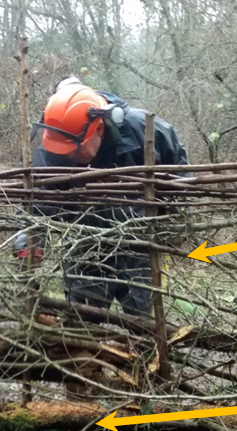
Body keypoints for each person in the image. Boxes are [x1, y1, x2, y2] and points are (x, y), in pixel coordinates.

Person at [20, 78, 189, 317]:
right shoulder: (51, 144)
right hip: (85, 247)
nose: (68, 155)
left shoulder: (145, 129)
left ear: (99, 129)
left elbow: (180, 179)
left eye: (75, 148)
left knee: (142, 323)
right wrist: (30, 238)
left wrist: (171, 226)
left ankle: (145, 352)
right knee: (83, 323)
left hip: (139, 245)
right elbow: (36, 200)